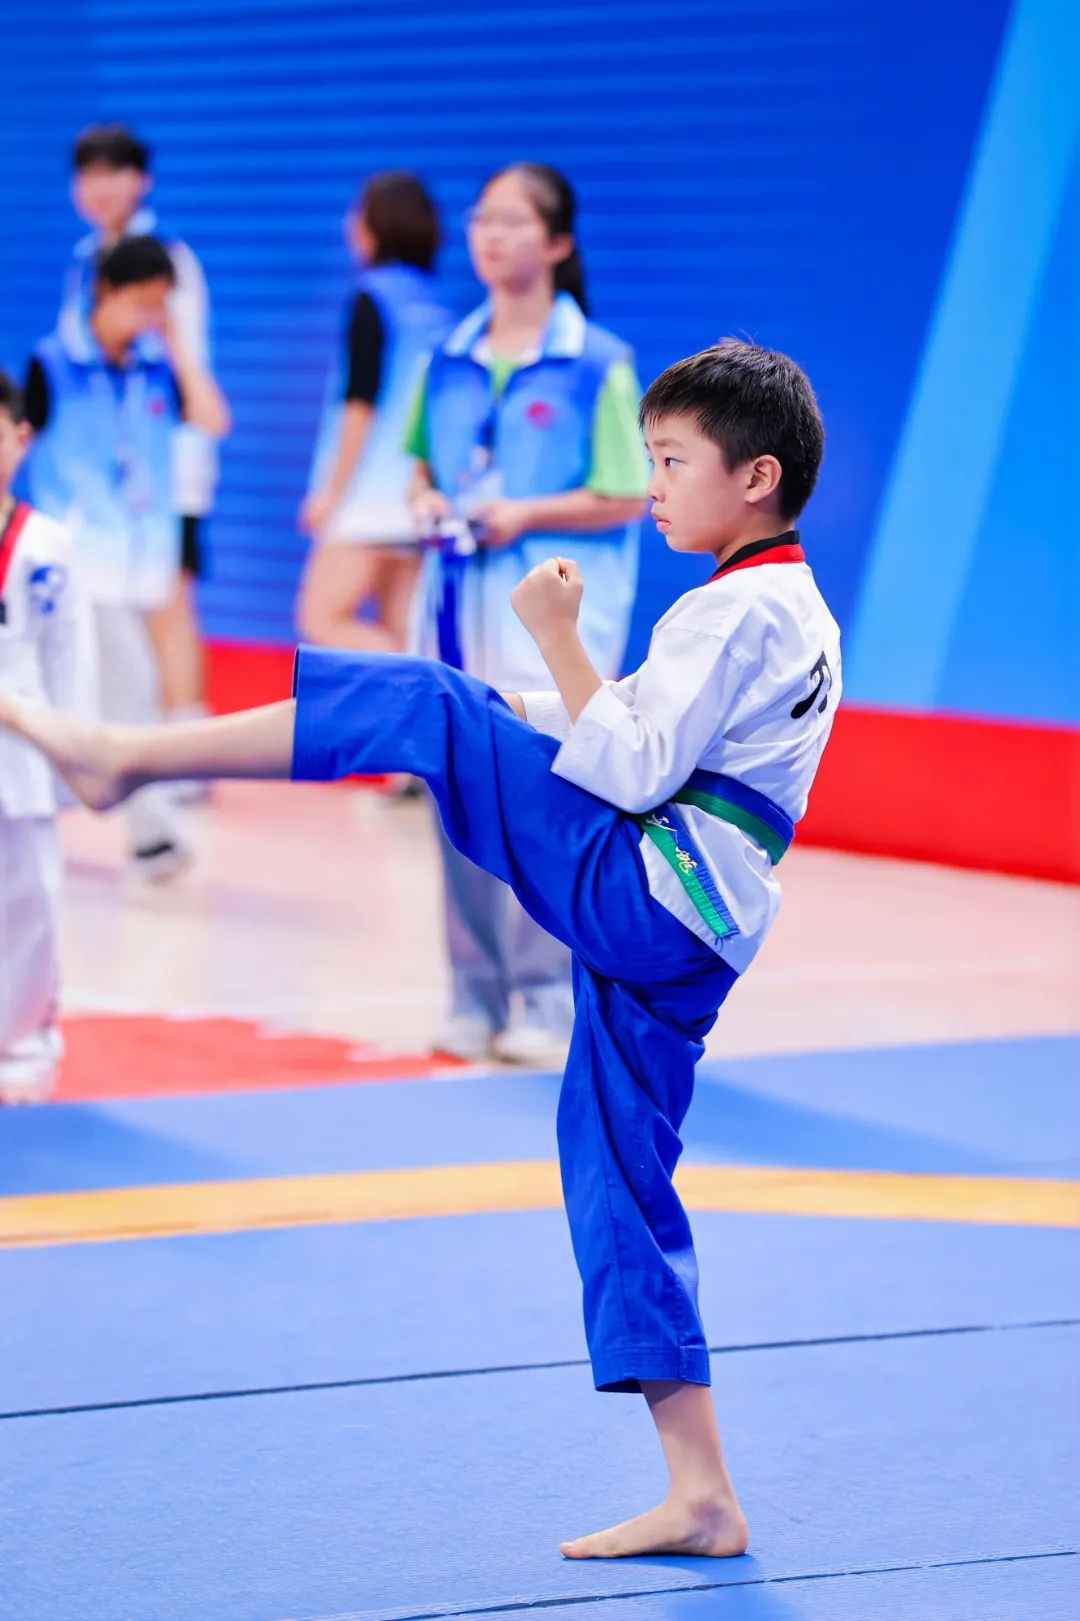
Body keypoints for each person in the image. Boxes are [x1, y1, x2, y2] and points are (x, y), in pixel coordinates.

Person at [0, 339, 840, 1558]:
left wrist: (551, 633)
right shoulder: (788, 604)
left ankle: (123, 757)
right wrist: (521, 704)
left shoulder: (733, 606)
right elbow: (633, 731)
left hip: (647, 892)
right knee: (618, 1170)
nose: (651, 485)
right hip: (698, 928)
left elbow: (633, 764)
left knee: (425, 704)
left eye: (670, 461)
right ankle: (703, 1490)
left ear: (755, 476)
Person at [406, 161, 648, 1064]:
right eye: (482, 219)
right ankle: (472, 994)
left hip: (553, 626)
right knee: (459, 801)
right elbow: (420, 459)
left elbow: (627, 492)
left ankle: (545, 1000)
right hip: (457, 613)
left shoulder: (598, 363)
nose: (492, 236)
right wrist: (426, 497)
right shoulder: (447, 355)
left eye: (513, 221)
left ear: (557, 242)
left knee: (547, 808)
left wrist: (524, 514)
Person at [24, 234, 229, 879]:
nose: (150, 317)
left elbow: (213, 419)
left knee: (73, 696)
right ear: (105, 293)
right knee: (134, 687)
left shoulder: (156, 367)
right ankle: (153, 837)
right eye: (141, 303)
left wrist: (178, 345)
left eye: (160, 305)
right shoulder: (51, 364)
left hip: (146, 563)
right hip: (80, 562)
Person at [65, 123, 228, 764]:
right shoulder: (86, 259)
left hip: (168, 465)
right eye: (89, 173)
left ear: (142, 181)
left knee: (169, 606)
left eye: (115, 171)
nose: (100, 187)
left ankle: (187, 754)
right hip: (103, 474)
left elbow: (186, 369)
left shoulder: (166, 261)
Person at [297, 171, 450, 652]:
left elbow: (359, 405)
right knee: (403, 630)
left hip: (365, 500)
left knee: (321, 618)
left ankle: (418, 672)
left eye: (357, 214)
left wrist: (329, 495)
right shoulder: (437, 306)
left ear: (375, 226)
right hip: (418, 497)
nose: (349, 225)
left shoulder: (372, 298)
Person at [0, 373, 86, 1103]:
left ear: (20, 439)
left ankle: (24, 1046)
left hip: (22, 751)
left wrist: (76, 755)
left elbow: (70, 659)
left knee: (27, 901)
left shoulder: (47, 544)